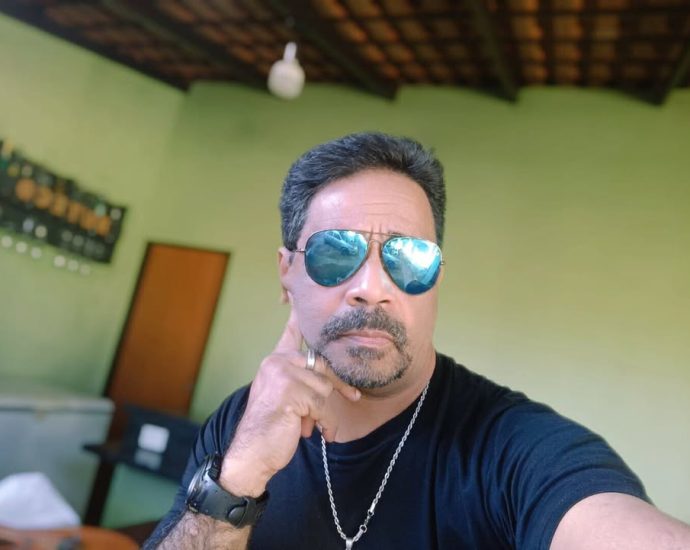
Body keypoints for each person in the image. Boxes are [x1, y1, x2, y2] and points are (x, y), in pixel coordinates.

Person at [145, 132, 690, 549]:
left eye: (408, 259)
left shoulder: (514, 449)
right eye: (336, 253)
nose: (372, 288)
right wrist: (237, 479)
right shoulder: (241, 421)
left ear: (437, 280)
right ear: (287, 273)